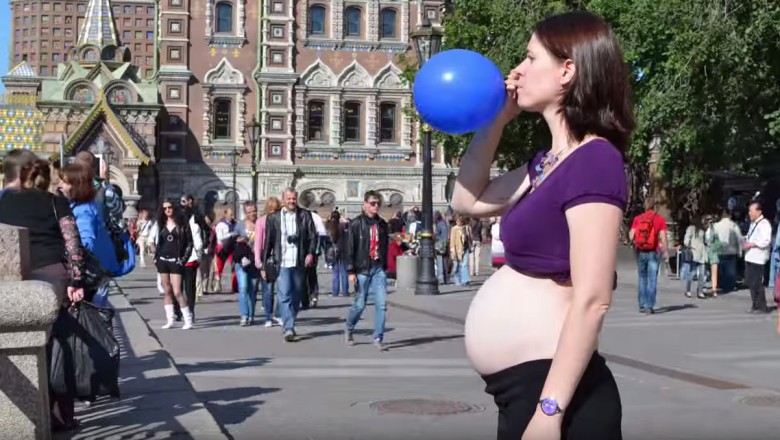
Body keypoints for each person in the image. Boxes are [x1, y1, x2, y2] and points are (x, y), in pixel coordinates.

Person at [450, 11, 634, 439]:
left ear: (567, 70)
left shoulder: (595, 160)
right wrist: (497, 118)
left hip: (555, 397)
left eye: (531, 58)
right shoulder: (547, 163)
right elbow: (466, 199)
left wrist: (549, 411)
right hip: (521, 391)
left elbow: (592, 299)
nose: (518, 71)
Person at [0, 150, 86, 431]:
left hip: (11, 278)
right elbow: (72, 241)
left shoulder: (1, 201)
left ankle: (23, 412)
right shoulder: (53, 201)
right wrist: (76, 281)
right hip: (52, 275)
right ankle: (62, 414)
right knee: (58, 344)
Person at [262, 188, 317, 341]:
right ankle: (289, 327)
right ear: (283, 199)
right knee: (284, 294)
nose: (292, 201)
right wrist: (264, 264)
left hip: (299, 261)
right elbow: (269, 242)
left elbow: (313, 237)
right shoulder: (273, 218)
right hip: (282, 261)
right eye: (289, 199)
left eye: (294, 199)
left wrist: (310, 253)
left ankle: (289, 320)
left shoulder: (305, 215)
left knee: (296, 295)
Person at [345, 190, 390, 350]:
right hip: (362, 269)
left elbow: (385, 247)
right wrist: (351, 271)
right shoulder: (356, 224)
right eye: (372, 203)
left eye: (378, 203)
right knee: (360, 304)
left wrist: (385, 268)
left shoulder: (383, 224)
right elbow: (349, 248)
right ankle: (349, 328)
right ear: (365, 205)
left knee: (381, 305)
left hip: (378, 269)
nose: (376, 206)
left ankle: (378, 337)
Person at [154, 199, 194, 329]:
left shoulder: (182, 223)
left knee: (177, 291)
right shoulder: (161, 223)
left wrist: (183, 259)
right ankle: (170, 320)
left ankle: (188, 319)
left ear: (174, 208)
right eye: (165, 208)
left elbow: (189, 243)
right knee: (167, 291)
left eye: (169, 207)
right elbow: (159, 243)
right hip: (162, 259)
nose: (167, 210)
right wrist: (156, 257)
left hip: (176, 260)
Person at [629, 198, 668, 314]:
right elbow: (663, 237)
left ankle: (642, 304)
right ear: (655, 207)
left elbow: (631, 236)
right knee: (652, 279)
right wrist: (665, 251)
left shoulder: (638, 219)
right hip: (653, 252)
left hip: (640, 251)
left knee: (642, 278)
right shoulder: (659, 219)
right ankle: (650, 306)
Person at [255, 196, 282, 327]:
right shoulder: (262, 221)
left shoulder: (262, 220)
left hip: (271, 257)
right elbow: (259, 242)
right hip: (272, 257)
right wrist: (259, 261)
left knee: (270, 289)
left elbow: (257, 243)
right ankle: (272, 315)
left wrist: (258, 260)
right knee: (275, 289)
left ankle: (270, 317)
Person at [743, 200, 772, 314]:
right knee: (750, 282)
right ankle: (755, 304)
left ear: (759, 211)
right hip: (749, 256)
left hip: (758, 257)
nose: (749, 213)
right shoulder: (753, 223)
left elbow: (766, 240)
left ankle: (762, 306)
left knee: (757, 282)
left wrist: (752, 244)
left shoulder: (764, 224)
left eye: (751, 211)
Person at [234, 202, 259, 326]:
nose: (252, 214)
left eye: (254, 211)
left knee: (253, 289)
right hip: (242, 262)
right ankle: (244, 315)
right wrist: (239, 239)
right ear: (245, 213)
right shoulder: (240, 225)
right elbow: (233, 240)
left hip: (255, 261)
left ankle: (251, 314)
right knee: (243, 288)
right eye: (249, 212)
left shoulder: (260, 224)